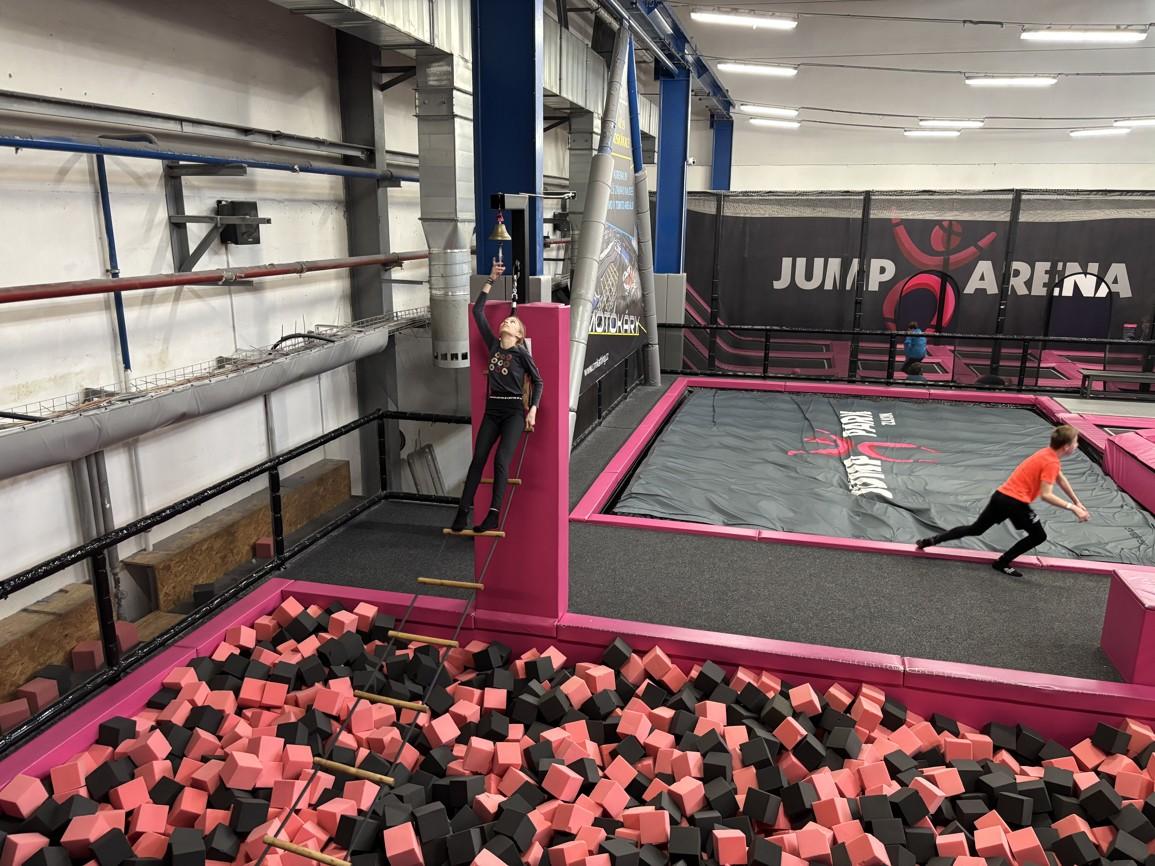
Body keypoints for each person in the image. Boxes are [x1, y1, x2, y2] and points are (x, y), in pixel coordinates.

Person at [915, 424, 1090, 577]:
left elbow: (1060, 479)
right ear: (1066, 447)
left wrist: (1077, 501)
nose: (1077, 445)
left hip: (1000, 496)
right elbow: (1046, 495)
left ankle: (931, 541)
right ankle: (1002, 562)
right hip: (1015, 503)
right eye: (1076, 442)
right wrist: (1072, 508)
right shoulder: (1051, 462)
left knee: (976, 529)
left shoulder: (1046, 453)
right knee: (1039, 536)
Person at [451, 261, 544, 534]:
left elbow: (538, 381)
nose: (506, 321)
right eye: (506, 320)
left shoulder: (522, 353)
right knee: (478, 458)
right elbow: (477, 311)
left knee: (501, 460)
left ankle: (493, 515)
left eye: (512, 322)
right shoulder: (493, 345)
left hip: (513, 412)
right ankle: (462, 512)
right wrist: (491, 279)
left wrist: (533, 409)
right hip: (492, 410)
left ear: (518, 335)